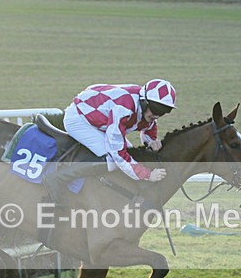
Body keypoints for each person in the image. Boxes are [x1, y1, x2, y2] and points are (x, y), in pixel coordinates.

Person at [42, 79, 176, 204]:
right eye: (156, 109)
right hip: (78, 119)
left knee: (131, 154)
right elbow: (118, 153)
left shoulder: (145, 106)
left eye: (164, 111)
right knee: (112, 160)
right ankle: (56, 179)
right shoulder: (124, 108)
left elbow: (149, 128)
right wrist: (147, 175)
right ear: (144, 102)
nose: (157, 115)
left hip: (100, 118)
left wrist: (151, 141)